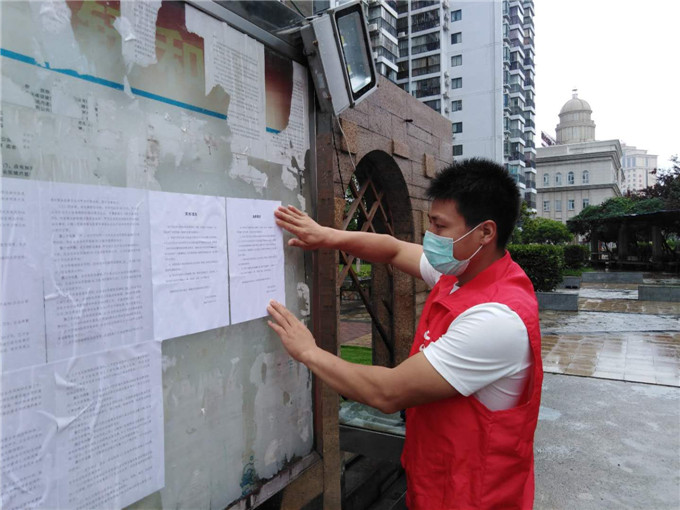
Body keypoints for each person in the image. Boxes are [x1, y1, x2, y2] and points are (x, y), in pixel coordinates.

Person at [267, 158, 543, 509]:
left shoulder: (496, 319)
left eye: (440, 226)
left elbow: (388, 392)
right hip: (438, 479)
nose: (431, 237)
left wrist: (308, 352)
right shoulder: (460, 273)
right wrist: (329, 236)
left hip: (474, 496)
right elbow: (393, 248)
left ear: (485, 233)